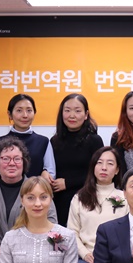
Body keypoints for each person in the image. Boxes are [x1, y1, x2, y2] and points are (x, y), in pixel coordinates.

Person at [67, 146, 128, 263]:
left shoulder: (125, 197)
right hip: (88, 256)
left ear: (118, 170)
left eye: (110, 163)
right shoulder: (80, 197)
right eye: (99, 163)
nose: (104, 168)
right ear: (93, 167)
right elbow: (72, 232)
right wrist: (85, 254)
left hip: (117, 257)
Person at [50, 93, 103, 225]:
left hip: (86, 199)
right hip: (59, 202)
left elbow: (98, 173)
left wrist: (68, 183)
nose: (72, 115)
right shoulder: (54, 141)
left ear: (86, 115)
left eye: (77, 111)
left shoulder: (94, 140)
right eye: (67, 111)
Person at [0, 93, 56, 179]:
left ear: (34, 113)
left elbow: (51, 174)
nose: (25, 115)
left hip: (36, 191)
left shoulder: (43, 142)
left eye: (29, 110)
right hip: (6, 191)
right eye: (19, 110)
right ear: (9, 114)